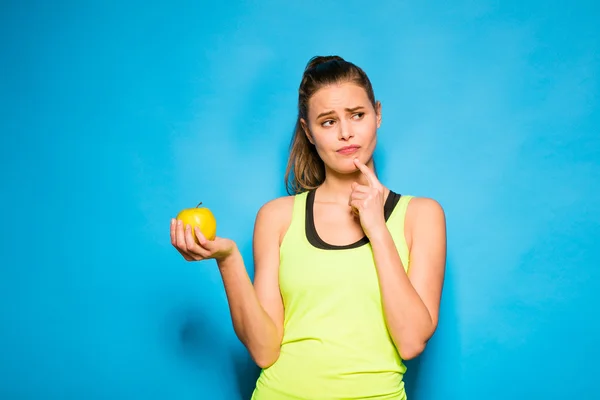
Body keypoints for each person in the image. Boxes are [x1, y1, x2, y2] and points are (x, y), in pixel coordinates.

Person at [170, 55, 447, 400]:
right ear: (308, 132)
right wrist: (228, 260)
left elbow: (411, 341)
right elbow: (264, 351)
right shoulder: (277, 217)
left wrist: (377, 228)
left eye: (357, 115)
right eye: (328, 122)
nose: (346, 132)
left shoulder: (421, 215)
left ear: (378, 114)